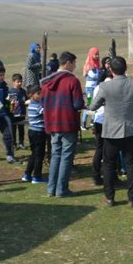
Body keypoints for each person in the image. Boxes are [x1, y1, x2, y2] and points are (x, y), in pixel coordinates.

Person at [89, 56, 133, 207]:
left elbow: (92, 107)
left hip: (111, 130)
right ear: (126, 69)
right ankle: (132, 198)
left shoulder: (105, 87)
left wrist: (106, 102)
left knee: (109, 164)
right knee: (131, 165)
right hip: (131, 129)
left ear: (110, 69)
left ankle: (110, 197)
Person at [42, 51, 85, 198]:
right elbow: (78, 103)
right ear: (68, 63)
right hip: (67, 122)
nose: (74, 66)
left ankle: (51, 188)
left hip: (52, 122)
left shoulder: (47, 81)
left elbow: (43, 102)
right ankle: (61, 189)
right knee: (66, 156)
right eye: (73, 63)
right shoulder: (72, 81)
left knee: (55, 155)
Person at [90, 60, 112, 186]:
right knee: (107, 149)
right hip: (107, 120)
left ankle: (96, 175)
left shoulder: (97, 87)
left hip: (98, 119)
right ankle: (108, 175)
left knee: (99, 149)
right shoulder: (107, 87)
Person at [22, 85, 47, 184]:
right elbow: (47, 112)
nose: (41, 95)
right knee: (39, 155)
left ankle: (27, 174)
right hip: (39, 132)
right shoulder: (38, 105)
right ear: (31, 95)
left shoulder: (32, 104)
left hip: (32, 131)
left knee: (34, 153)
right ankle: (36, 176)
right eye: (38, 93)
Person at [81, 47, 101, 129]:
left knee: (95, 104)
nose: (97, 56)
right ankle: (83, 123)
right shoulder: (88, 65)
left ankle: (93, 122)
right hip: (89, 89)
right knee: (89, 105)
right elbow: (94, 76)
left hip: (96, 88)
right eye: (95, 54)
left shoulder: (97, 64)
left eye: (98, 54)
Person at [9, 73, 28, 149]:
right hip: (13, 114)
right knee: (13, 130)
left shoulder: (23, 91)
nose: (20, 83)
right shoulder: (10, 91)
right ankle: (13, 144)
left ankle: (21, 143)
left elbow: (26, 101)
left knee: (21, 129)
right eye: (18, 82)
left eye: (21, 81)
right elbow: (7, 103)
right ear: (13, 82)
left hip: (22, 114)